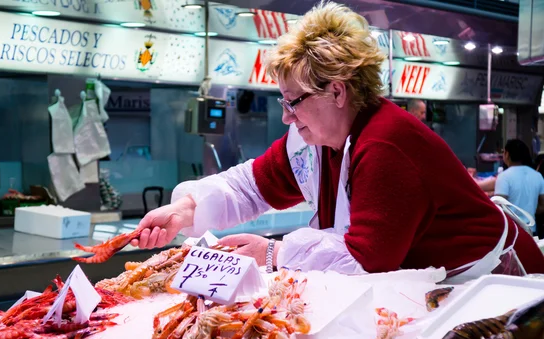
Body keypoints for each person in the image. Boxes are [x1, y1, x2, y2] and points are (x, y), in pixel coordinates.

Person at [131, 1, 544, 280]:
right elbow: (250, 184)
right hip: (434, 284)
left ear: (338, 91)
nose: (285, 115)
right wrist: (185, 210)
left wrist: (272, 254)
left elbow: (367, 260)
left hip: (494, 280)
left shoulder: (386, 144)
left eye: (293, 101)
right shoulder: (313, 140)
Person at [495, 139, 544, 234]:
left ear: (507, 154)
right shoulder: (537, 176)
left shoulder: (504, 176)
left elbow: (499, 207)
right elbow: (543, 206)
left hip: (511, 232)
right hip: (531, 231)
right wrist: (530, 208)